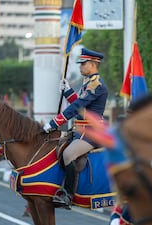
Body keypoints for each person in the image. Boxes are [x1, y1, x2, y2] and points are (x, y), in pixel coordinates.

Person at [43, 48, 109, 209]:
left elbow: (78, 106)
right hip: (80, 130)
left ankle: (68, 194)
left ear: (93, 64)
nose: (80, 67)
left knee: (68, 154)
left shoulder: (97, 84)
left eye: (83, 64)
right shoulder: (88, 82)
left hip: (91, 132)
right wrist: (68, 91)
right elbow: (79, 104)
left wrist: (54, 123)